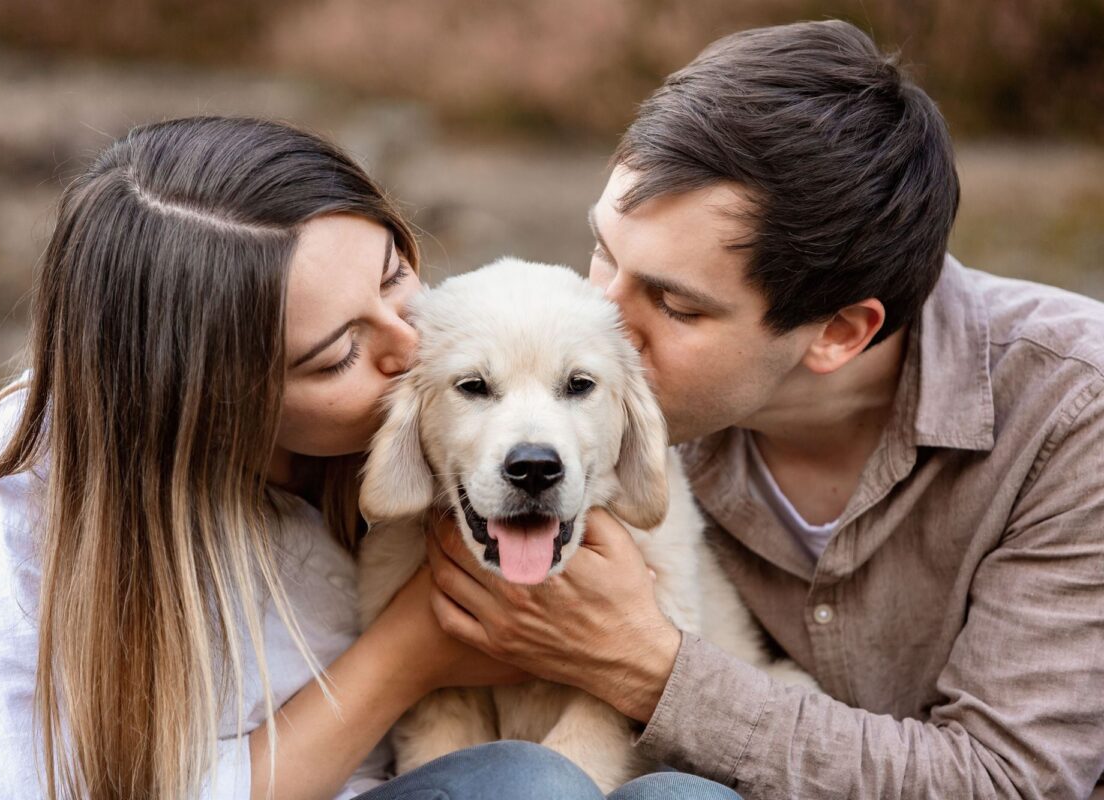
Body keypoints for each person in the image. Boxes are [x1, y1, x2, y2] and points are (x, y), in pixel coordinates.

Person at [0, 116, 740, 800]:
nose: (412, 342)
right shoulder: (27, 503)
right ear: (215, 405)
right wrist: (415, 646)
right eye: (338, 354)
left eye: (393, 277)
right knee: (527, 786)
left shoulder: (443, 392)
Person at [427, 20, 1104, 800]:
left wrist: (648, 666)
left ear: (840, 333)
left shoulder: (1068, 415)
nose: (600, 315)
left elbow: (1007, 784)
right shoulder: (581, 404)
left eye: (674, 303)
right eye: (606, 252)